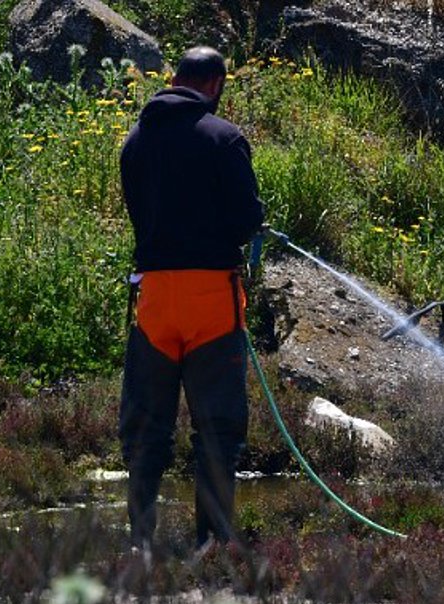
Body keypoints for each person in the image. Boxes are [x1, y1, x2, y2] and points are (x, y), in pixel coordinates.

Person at [118, 45, 264, 552]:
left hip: (155, 299)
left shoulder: (135, 141)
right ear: (215, 86)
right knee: (217, 430)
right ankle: (212, 543)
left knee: (147, 429)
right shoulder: (224, 139)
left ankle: (140, 541)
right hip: (210, 301)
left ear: (174, 79)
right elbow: (247, 222)